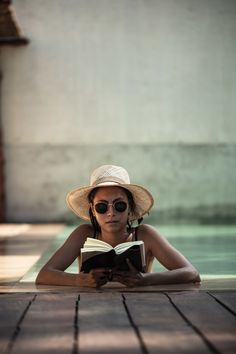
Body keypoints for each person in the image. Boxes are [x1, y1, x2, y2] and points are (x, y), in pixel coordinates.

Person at [36, 164, 200, 288]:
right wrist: (80, 280)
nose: (110, 213)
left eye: (119, 205)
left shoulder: (145, 235)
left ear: (129, 209)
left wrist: (146, 279)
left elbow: (191, 273)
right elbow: (43, 275)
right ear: (92, 211)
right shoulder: (83, 235)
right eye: (102, 207)